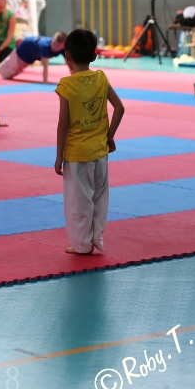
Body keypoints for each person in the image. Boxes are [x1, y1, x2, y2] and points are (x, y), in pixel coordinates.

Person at [54, 29, 125, 255]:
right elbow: (120, 108)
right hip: (100, 152)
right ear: (94, 56)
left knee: (78, 202)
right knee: (99, 198)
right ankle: (97, 239)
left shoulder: (66, 85)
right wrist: (109, 136)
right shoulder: (101, 78)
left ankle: (82, 244)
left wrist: (59, 155)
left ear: (67, 56)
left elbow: (63, 123)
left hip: (76, 155)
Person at [0, 31, 67, 84]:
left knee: (7, 75)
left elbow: (69, 62)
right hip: (22, 50)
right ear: (53, 38)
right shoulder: (45, 45)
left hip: (29, 58)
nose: (54, 47)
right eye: (54, 43)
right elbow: (45, 65)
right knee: (8, 64)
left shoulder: (64, 49)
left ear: (63, 45)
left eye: (58, 46)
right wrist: (45, 80)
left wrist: (73, 77)